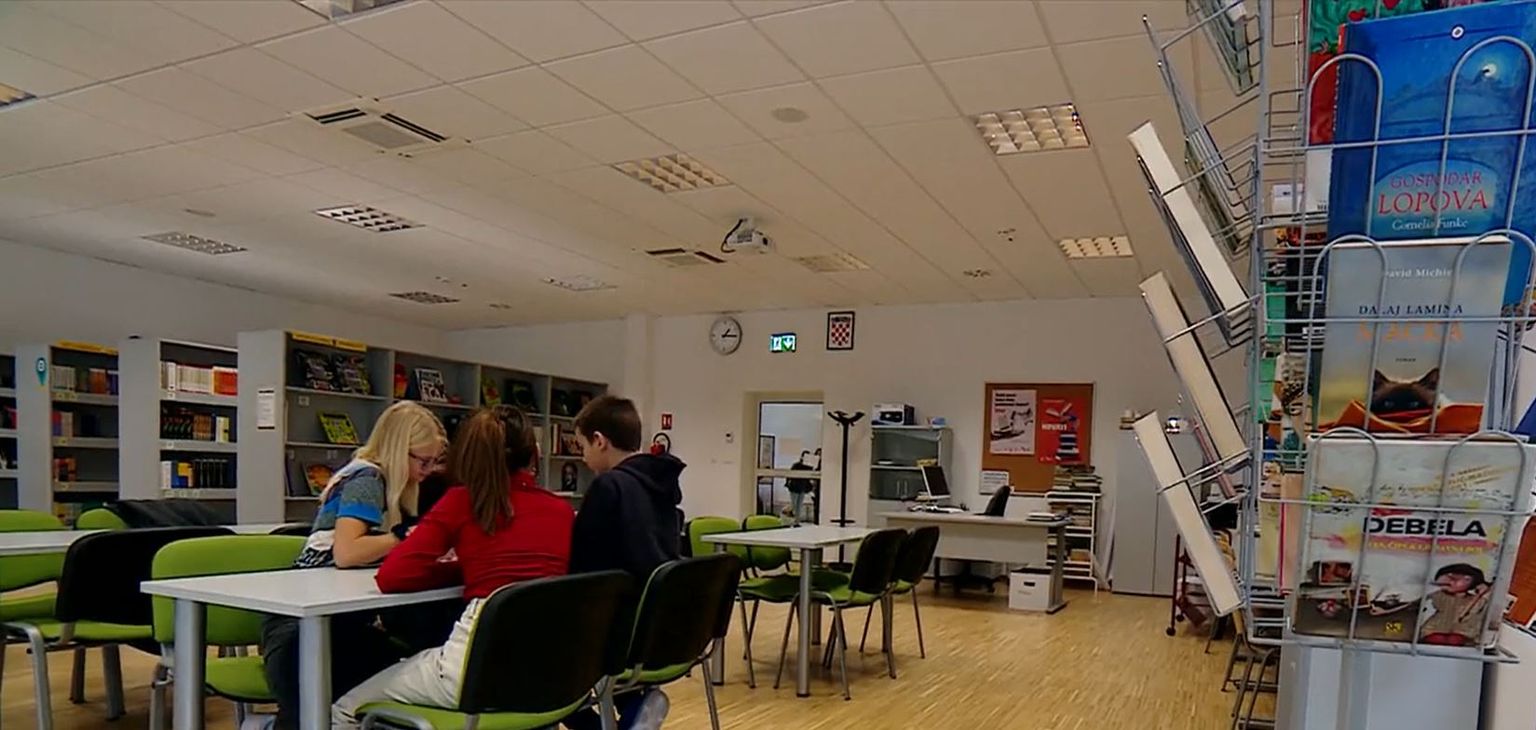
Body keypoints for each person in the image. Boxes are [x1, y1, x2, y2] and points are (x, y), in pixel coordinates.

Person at [331, 406, 575, 728]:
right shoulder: (561, 511)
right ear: (534, 454)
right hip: (548, 673)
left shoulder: (462, 501)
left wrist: (461, 569)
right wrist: (468, 568)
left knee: (345, 708)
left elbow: (392, 576)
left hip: (476, 671)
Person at [258, 401, 447, 730]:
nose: (428, 470)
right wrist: (404, 537)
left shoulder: (393, 486)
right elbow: (347, 553)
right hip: (301, 628)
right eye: (423, 461)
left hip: (339, 622)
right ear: (398, 451)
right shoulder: (367, 479)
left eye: (434, 461)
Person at [564, 395, 684, 730]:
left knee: (543, 659)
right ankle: (634, 706)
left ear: (600, 440)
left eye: (582, 446)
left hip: (618, 633)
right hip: (657, 628)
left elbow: (582, 571)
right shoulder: (661, 485)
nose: (582, 456)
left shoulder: (608, 487)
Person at [785, 450, 815, 524]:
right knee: (794, 505)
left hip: (802, 488)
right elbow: (789, 475)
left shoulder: (809, 467)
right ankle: (790, 518)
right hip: (794, 487)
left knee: (799, 506)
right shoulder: (796, 465)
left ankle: (797, 521)